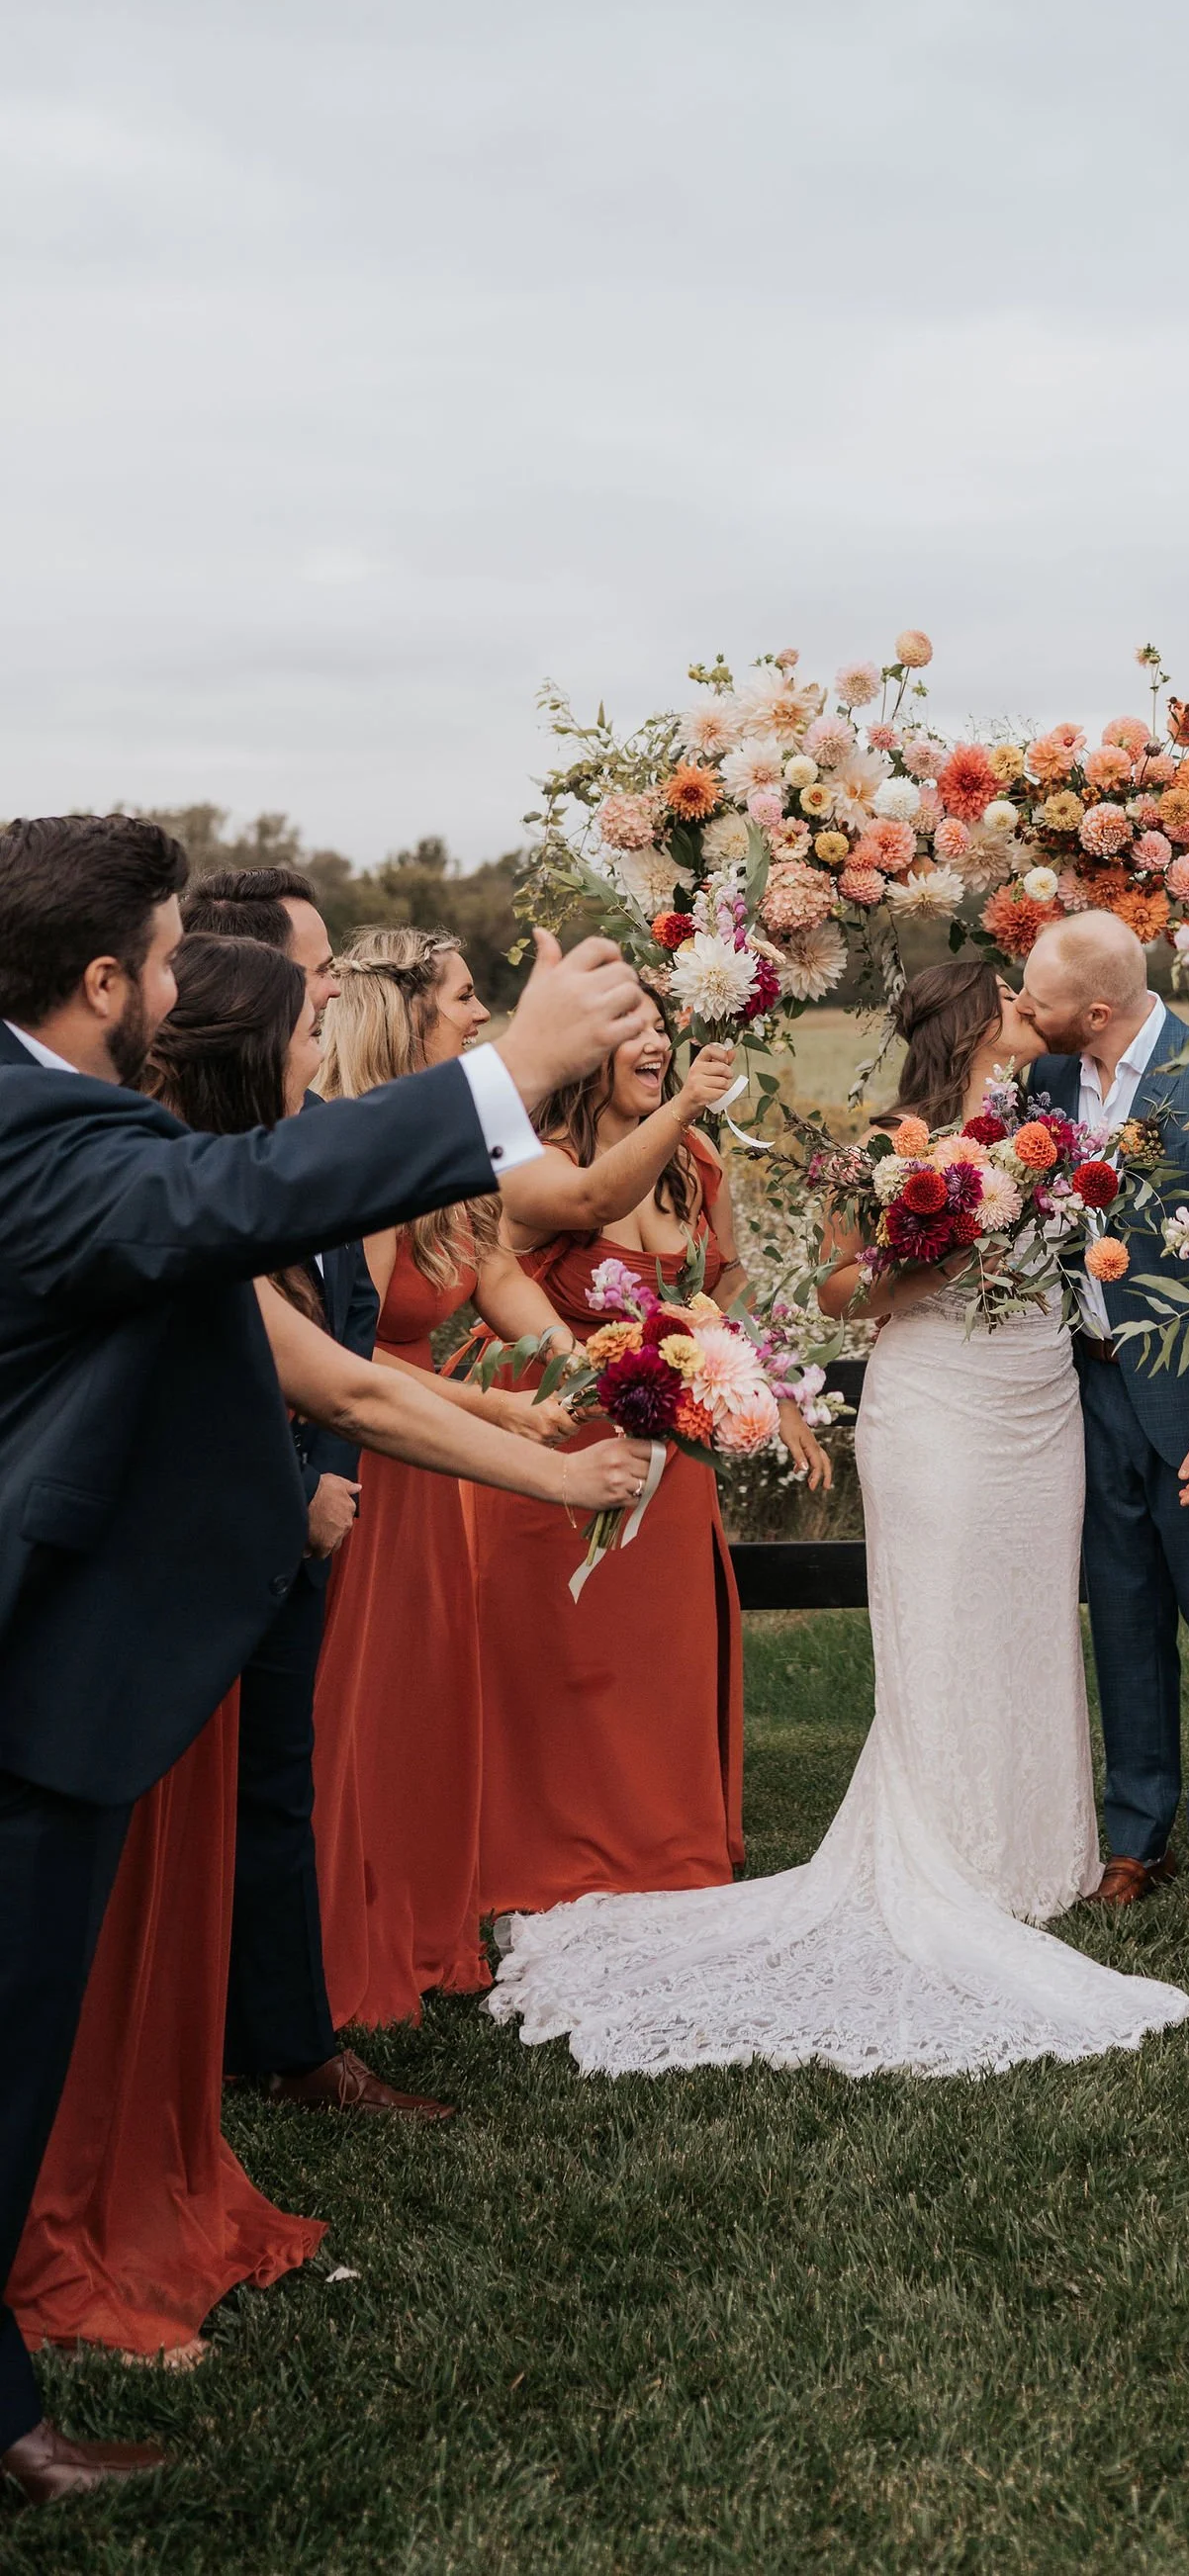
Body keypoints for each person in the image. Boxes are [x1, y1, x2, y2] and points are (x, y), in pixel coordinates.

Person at [0, 812, 645, 2505]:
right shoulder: (48, 1133)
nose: (173, 991)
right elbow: (253, 1197)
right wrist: (510, 1066)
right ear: (95, 980)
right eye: (153, 963)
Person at [486, 959, 1189, 2080]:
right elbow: (831, 1292)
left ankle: (1033, 1858)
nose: (1029, 1009)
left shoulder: (1052, 1126)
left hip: (1036, 1403)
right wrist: (934, 1259)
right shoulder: (882, 1143)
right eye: (1009, 999)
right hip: (935, 1402)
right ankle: (946, 1857)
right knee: (942, 1623)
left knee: (1024, 1621)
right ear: (972, 1019)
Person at [305, 931, 737, 2024]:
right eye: (464, 1000)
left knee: (425, 1697)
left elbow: (500, 1279)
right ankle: (339, 1936)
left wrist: (602, 1362)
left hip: (431, 1457)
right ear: (407, 1020)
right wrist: (499, 1407)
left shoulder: (446, 1150)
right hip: (363, 1456)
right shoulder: (350, 1156)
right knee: (359, 1703)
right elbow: (354, 1364)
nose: (484, 1018)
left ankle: (414, 1916)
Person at [477, 997, 827, 1914]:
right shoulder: (535, 1162)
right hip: (562, 1442)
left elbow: (729, 1282)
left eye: (660, 1025)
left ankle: (666, 1849)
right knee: (567, 1658)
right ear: (584, 1050)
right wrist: (571, 1366)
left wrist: (769, 1389)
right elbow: (524, 1256)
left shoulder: (696, 1161)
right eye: (631, 1027)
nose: (657, 1042)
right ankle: (552, 1850)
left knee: (656, 1661)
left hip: (669, 1453)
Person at [1011, 912, 1189, 1915]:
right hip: (1087, 1394)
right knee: (1121, 1621)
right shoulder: (1044, 1084)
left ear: (1091, 1010)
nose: (1019, 1009)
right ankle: (1134, 1835)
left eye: (1033, 997)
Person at [177, 867, 401, 2111]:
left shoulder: (315, 1138)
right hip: (208, 1530)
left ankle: (286, 2040)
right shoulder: (181, 1163)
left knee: (277, 1780)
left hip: (309, 1526)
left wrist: (330, 1484)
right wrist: (291, 1486)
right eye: (319, 974)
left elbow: (349, 1334)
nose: (335, 991)